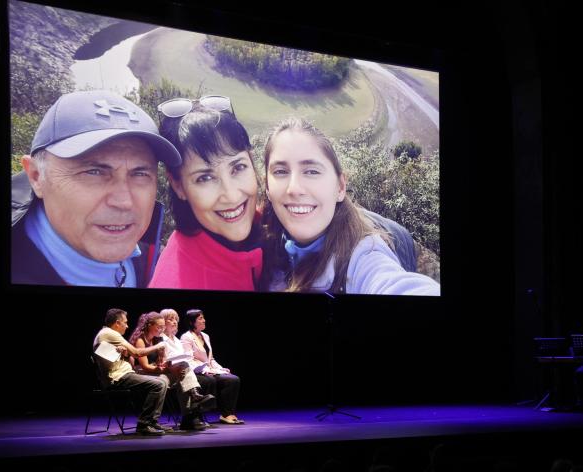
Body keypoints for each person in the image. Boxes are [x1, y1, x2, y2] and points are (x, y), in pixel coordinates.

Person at [12, 90, 182, 287]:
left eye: (140, 173)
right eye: (94, 172)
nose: (124, 202)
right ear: (36, 176)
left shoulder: (153, 257)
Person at [259, 117, 440, 295]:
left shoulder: (364, 256)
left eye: (312, 171)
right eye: (280, 171)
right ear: (267, 187)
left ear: (340, 187)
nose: (294, 189)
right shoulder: (262, 240)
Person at [148, 96, 264, 290]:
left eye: (238, 167)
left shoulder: (272, 223)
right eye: (205, 178)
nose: (232, 196)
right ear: (178, 186)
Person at [129, 311, 214, 431]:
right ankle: (190, 410)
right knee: (176, 379)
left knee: (183, 371)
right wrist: (166, 369)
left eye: (162, 327)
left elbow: (162, 362)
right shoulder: (140, 340)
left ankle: (189, 415)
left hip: (157, 372)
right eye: (159, 327)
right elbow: (145, 367)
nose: (161, 330)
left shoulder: (157, 340)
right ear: (149, 326)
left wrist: (169, 367)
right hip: (144, 374)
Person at [92, 308, 171, 435]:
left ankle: (152, 421)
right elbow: (137, 352)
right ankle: (144, 424)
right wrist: (158, 346)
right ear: (117, 323)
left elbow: (127, 358)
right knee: (159, 384)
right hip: (118, 378)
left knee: (162, 381)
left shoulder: (107, 334)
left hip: (123, 374)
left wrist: (125, 354)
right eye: (125, 322)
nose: (127, 326)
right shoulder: (109, 333)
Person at [180, 309, 244, 424]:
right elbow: (188, 360)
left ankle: (227, 414)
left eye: (203, 318)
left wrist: (220, 368)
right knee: (208, 380)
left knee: (232, 379)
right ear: (191, 322)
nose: (204, 321)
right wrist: (205, 370)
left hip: (209, 370)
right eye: (200, 319)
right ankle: (197, 416)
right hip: (196, 371)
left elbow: (211, 359)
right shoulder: (186, 337)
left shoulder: (205, 336)